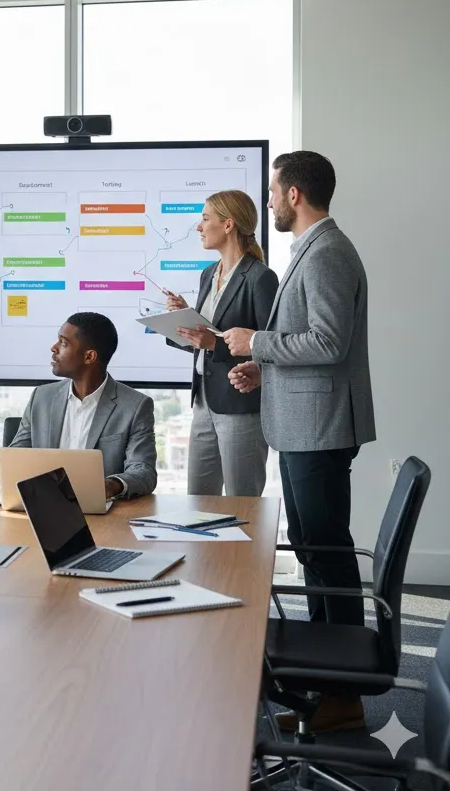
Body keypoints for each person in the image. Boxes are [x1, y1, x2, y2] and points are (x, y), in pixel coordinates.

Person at [225, 151, 374, 733]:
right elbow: (312, 346)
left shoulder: (329, 251)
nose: (266, 200)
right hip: (301, 423)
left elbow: (330, 343)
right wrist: (269, 370)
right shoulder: (313, 249)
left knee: (328, 556)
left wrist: (257, 344)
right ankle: (326, 682)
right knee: (314, 550)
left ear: (294, 195)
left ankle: (346, 694)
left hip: (318, 429)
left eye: (272, 189)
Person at [0, 312, 157, 500]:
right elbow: (14, 465)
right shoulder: (42, 397)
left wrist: (110, 486)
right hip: (44, 511)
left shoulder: (135, 406)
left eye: (63, 342)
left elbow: (143, 472)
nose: (53, 348)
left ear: (89, 356)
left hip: (103, 516)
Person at [162, 190, 278, 497]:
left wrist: (214, 344)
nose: (199, 227)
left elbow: (272, 347)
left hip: (240, 406)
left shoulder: (260, 277)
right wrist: (183, 321)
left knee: (243, 502)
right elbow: (209, 336)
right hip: (203, 400)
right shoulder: (208, 274)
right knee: (197, 500)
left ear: (228, 225)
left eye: (204, 219)